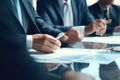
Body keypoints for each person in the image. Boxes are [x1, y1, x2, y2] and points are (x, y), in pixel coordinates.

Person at [37, 0, 107, 36]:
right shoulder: (44, 1)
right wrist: (83, 30)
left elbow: (89, 22)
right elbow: (47, 28)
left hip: (78, 50)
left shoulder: (80, 1)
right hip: (56, 48)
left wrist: (98, 26)